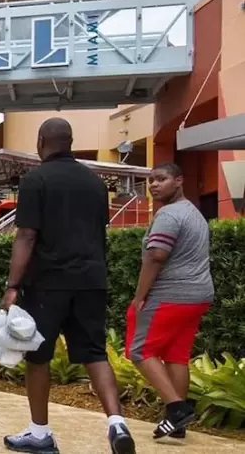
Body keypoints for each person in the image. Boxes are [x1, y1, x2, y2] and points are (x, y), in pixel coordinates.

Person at [0, 118, 135, 454]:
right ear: (70, 141)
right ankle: (116, 423)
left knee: (37, 355)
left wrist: (12, 285)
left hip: (48, 283)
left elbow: (27, 235)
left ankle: (40, 433)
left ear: (41, 140)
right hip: (92, 280)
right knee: (95, 353)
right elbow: (96, 231)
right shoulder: (95, 182)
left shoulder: (35, 180)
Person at [127, 163, 213, 440]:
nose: (154, 185)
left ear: (178, 180)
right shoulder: (194, 213)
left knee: (139, 350)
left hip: (171, 294)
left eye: (161, 179)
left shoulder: (169, 214)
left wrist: (140, 298)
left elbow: (156, 256)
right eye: (151, 180)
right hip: (198, 295)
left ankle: (176, 408)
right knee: (176, 354)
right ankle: (178, 424)